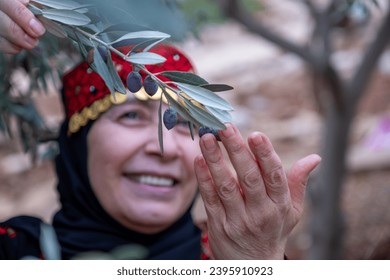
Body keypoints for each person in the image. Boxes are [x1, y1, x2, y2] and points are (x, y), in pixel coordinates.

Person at [0, 0, 321, 260]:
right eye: (130, 117)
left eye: (184, 123)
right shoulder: (14, 252)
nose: (164, 148)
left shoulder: (234, 257)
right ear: (76, 145)